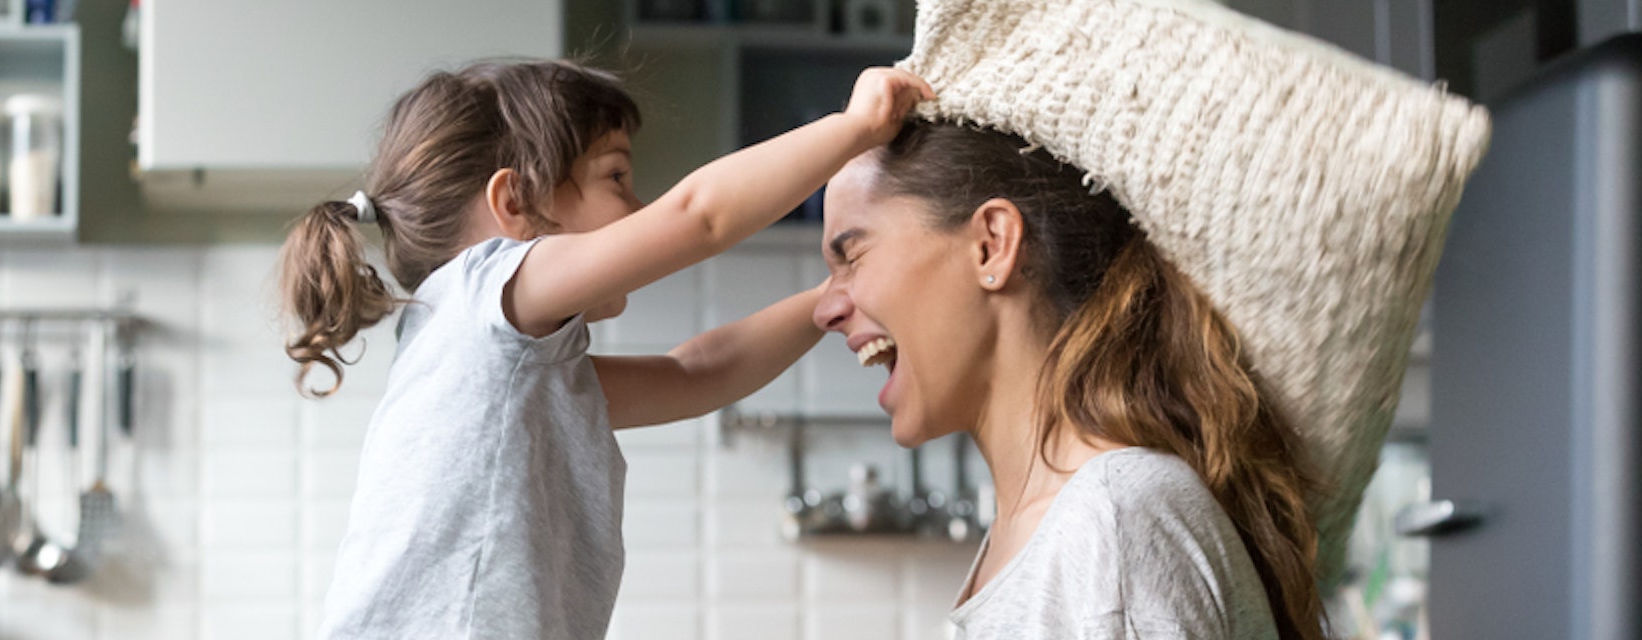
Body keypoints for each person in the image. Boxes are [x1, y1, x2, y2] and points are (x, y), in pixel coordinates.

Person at [276, 59, 932, 639]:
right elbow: (697, 218)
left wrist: (836, 293)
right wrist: (855, 128)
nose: (640, 205)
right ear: (515, 203)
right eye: (616, 177)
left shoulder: (507, 371)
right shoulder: (481, 291)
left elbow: (698, 372)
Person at [816, 122, 1317, 639]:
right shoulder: (1053, 531)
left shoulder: (1113, 518)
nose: (825, 311)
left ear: (991, 245)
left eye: (851, 256)